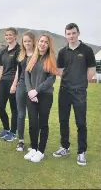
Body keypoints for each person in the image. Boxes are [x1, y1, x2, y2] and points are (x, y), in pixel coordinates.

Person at [53, 23, 96, 166]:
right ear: (65, 35)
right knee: (63, 120)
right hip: (64, 90)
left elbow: (91, 69)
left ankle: (81, 152)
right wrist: (68, 77)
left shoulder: (87, 50)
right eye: (68, 34)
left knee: (81, 122)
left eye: (73, 33)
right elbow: (59, 70)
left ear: (78, 33)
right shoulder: (62, 52)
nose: (71, 36)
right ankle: (65, 147)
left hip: (79, 92)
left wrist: (82, 82)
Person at [23, 34, 58, 163]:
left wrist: (36, 91)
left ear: (49, 45)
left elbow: (51, 79)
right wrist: (30, 91)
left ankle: (40, 151)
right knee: (32, 123)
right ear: (37, 43)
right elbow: (26, 74)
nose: (43, 44)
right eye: (41, 41)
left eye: (46, 42)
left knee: (43, 123)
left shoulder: (51, 59)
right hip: (31, 95)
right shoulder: (32, 58)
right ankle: (33, 147)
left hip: (45, 96)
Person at [0, 27, 20, 142]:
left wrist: (14, 84)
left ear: (15, 36)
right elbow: (1, 67)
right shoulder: (4, 51)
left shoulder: (19, 50)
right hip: (3, 82)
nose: (8, 37)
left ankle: (13, 132)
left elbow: (19, 69)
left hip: (13, 82)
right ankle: (6, 128)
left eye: (10, 35)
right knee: (0, 107)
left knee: (14, 108)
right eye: (7, 35)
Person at [15, 31, 36, 151]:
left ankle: (34, 142)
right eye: (25, 41)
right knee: (21, 114)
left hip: (33, 87)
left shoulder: (37, 55)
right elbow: (18, 71)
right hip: (21, 85)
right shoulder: (21, 54)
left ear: (33, 41)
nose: (27, 43)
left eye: (29, 41)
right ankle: (21, 140)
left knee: (33, 115)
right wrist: (14, 85)